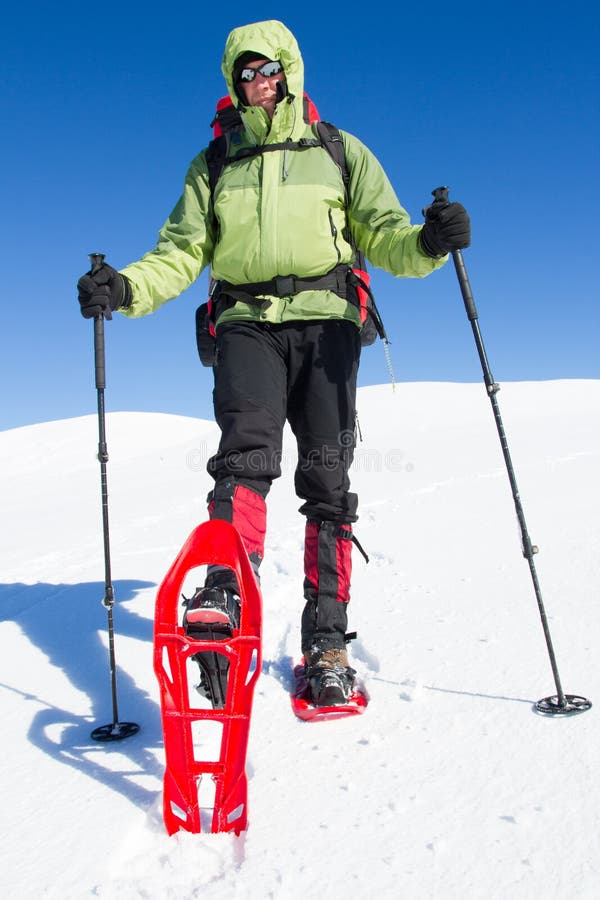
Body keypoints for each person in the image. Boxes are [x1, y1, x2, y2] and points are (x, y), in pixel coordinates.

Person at [77, 20, 470, 708]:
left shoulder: (339, 151)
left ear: (290, 72)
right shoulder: (215, 163)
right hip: (246, 325)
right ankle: (224, 598)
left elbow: (385, 236)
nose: (258, 82)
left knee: (327, 478)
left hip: (327, 329)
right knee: (244, 457)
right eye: (245, 73)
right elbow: (180, 250)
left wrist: (430, 241)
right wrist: (129, 288)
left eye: (268, 70)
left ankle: (327, 643)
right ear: (234, 83)